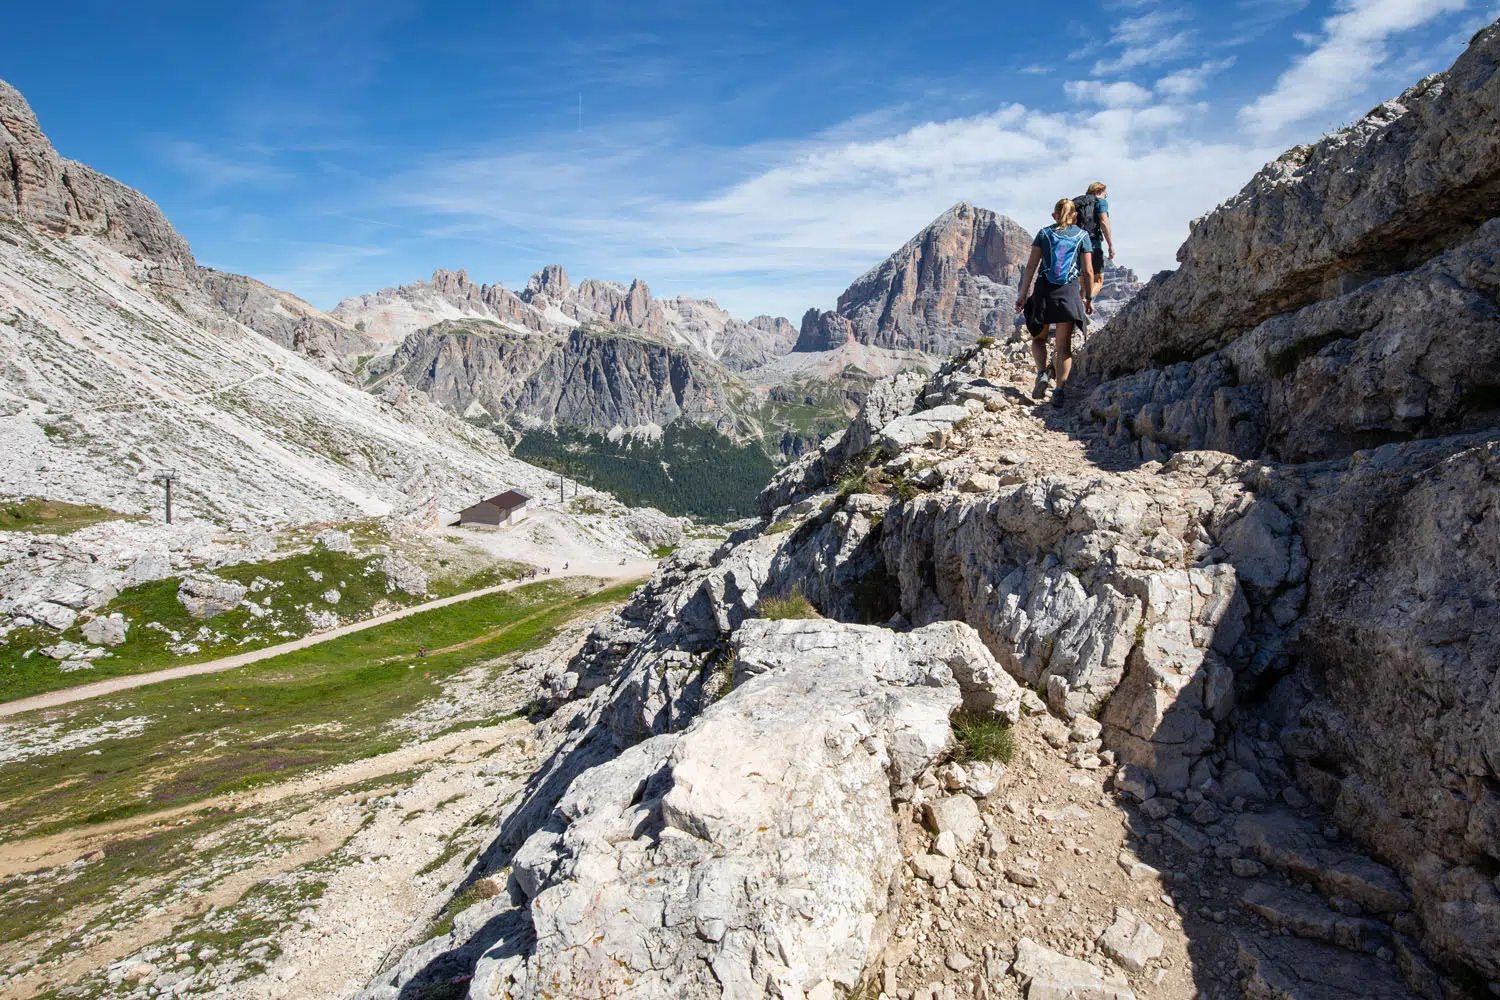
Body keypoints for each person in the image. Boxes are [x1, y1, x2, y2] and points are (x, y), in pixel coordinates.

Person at [1015, 198, 1095, 405]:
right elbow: (1087, 270)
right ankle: (1059, 391)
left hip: (1043, 292)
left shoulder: (1044, 234)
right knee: (1063, 347)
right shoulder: (1082, 236)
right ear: (1075, 215)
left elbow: (1031, 266)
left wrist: (1023, 295)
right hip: (1068, 294)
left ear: (1054, 216)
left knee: (1039, 339)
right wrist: (1088, 297)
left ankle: (1042, 373)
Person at [1072, 181, 1114, 304]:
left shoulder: (1078, 202)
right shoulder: (1100, 202)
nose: (1105, 197)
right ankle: (1088, 300)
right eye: (1105, 194)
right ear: (1098, 191)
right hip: (1092, 243)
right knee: (1098, 280)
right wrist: (1110, 245)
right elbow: (1103, 221)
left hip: (1075, 244)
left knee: (1084, 283)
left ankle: (1080, 305)